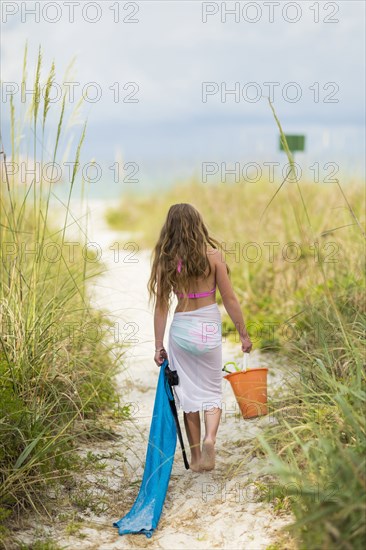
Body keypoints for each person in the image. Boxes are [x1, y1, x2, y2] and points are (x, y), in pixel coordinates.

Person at [147, 203, 252, 473]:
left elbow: (161, 307)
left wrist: (158, 346)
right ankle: (210, 439)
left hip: (182, 328)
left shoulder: (167, 261)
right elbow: (229, 298)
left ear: (169, 229)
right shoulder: (214, 256)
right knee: (211, 391)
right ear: (198, 225)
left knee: (188, 394)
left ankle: (195, 459)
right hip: (207, 326)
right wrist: (243, 334)